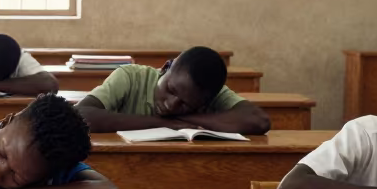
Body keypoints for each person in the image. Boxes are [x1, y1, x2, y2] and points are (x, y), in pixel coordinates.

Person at [76, 47, 271, 135]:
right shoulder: (130, 77)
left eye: (186, 104)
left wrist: (186, 121)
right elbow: (82, 114)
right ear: (165, 68)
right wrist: (163, 123)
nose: (171, 104)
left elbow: (259, 121)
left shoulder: (208, 91)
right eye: (170, 89)